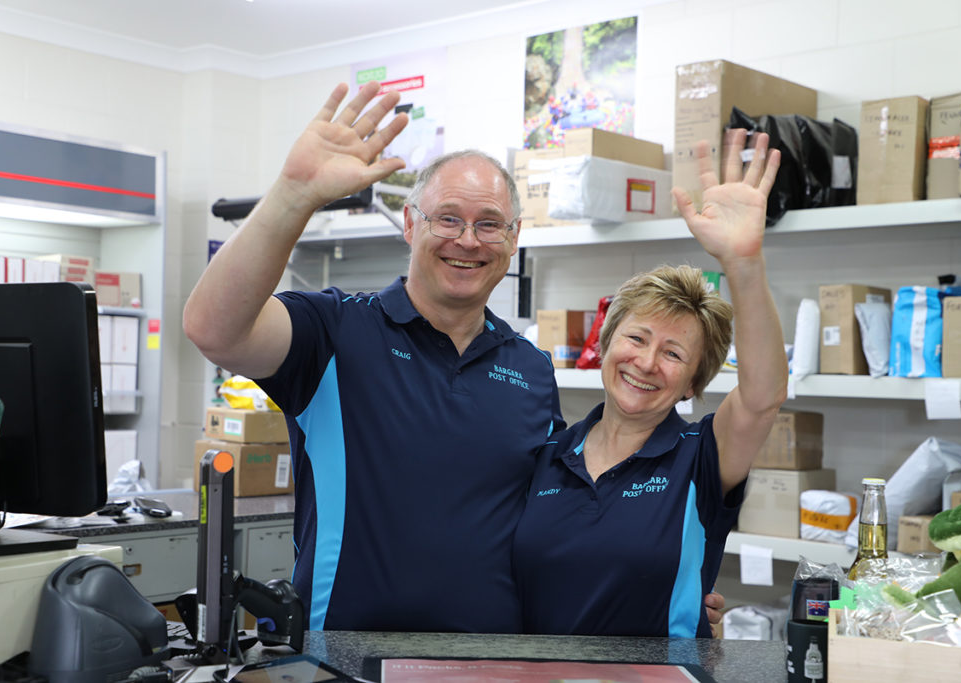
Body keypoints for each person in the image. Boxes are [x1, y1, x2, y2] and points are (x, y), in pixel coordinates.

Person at [184, 81, 725, 633]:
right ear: (411, 224)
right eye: (447, 218)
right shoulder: (336, 331)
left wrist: (656, 582)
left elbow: (562, 517)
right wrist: (292, 196)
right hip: (346, 656)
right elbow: (213, 330)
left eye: (489, 223)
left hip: (495, 663)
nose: (467, 240)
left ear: (513, 239)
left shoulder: (532, 371)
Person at [512, 129, 787, 637]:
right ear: (608, 341)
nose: (646, 362)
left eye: (674, 353)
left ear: (691, 384)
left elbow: (762, 397)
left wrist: (743, 264)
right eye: (636, 337)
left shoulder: (701, 457)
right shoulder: (548, 454)